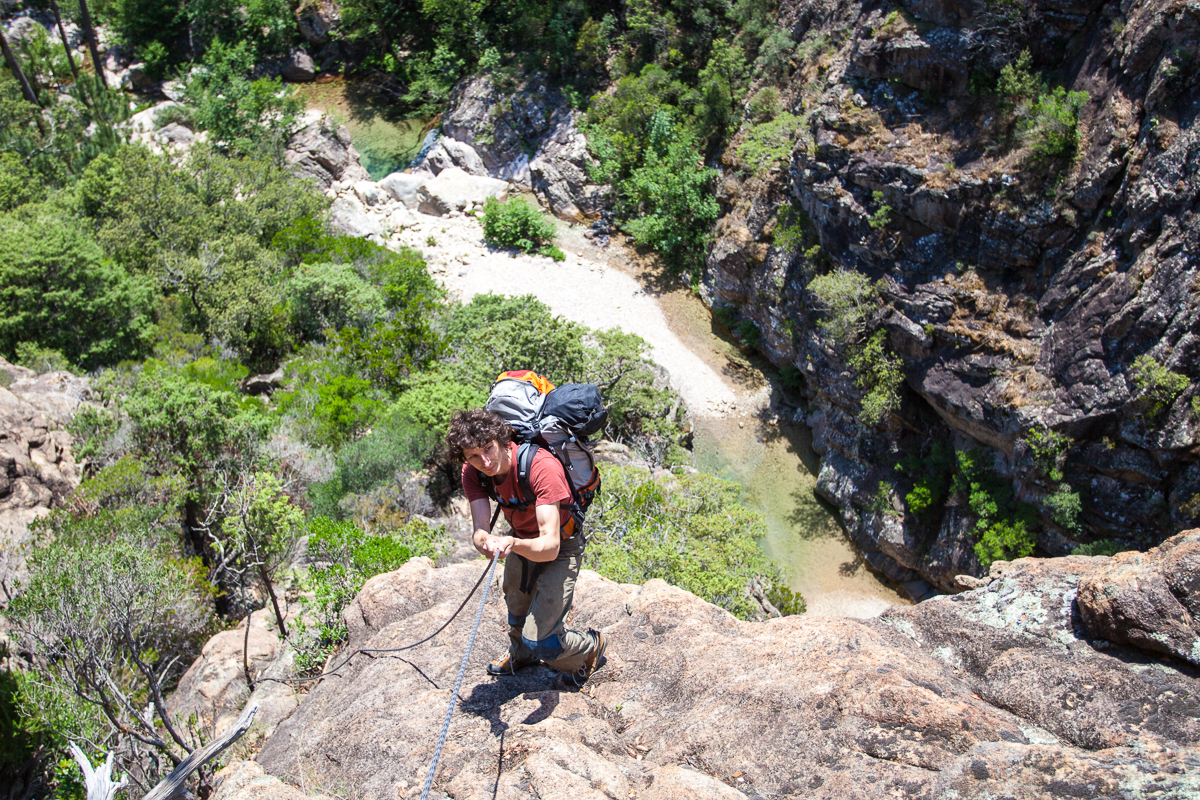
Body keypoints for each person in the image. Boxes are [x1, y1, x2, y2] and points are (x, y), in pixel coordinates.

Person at [445, 408, 606, 687]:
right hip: (519, 539)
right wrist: (487, 542)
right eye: (472, 455)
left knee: (540, 640)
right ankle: (521, 656)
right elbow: (479, 531)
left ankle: (590, 646)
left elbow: (550, 545)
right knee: (516, 607)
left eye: (488, 448)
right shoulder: (473, 473)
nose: (484, 461)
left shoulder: (540, 466)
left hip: (560, 547)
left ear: (503, 439)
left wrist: (513, 543)